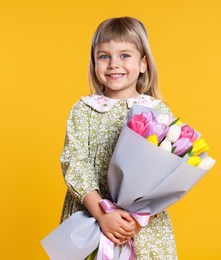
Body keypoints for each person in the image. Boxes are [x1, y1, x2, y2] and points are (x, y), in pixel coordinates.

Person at [60, 17, 177, 259]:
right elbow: (75, 162)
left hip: (143, 226)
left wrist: (138, 219)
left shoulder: (158, 111)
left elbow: (167, 176)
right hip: (91, 217)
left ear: (143, 63)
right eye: (104, 56)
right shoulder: (84, 109)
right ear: (94, 63)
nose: (114, 64)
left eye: (125, 55)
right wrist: (102, 214)